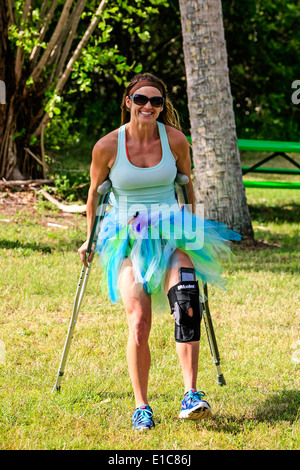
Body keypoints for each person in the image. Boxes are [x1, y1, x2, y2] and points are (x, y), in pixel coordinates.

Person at [78, 73, 242, 431]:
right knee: (139, 320)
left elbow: (188, 186)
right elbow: (93, 195)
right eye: (140, 99)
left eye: (155, 101)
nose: (148, 106)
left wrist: (195, 228)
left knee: (187, 299)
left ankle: (191, 394)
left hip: (172, 231)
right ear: (128, 102)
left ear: (162, 106)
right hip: (126, 234)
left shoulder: (175, 140)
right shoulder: (107, 146)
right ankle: (142, 406)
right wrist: (88, 238)